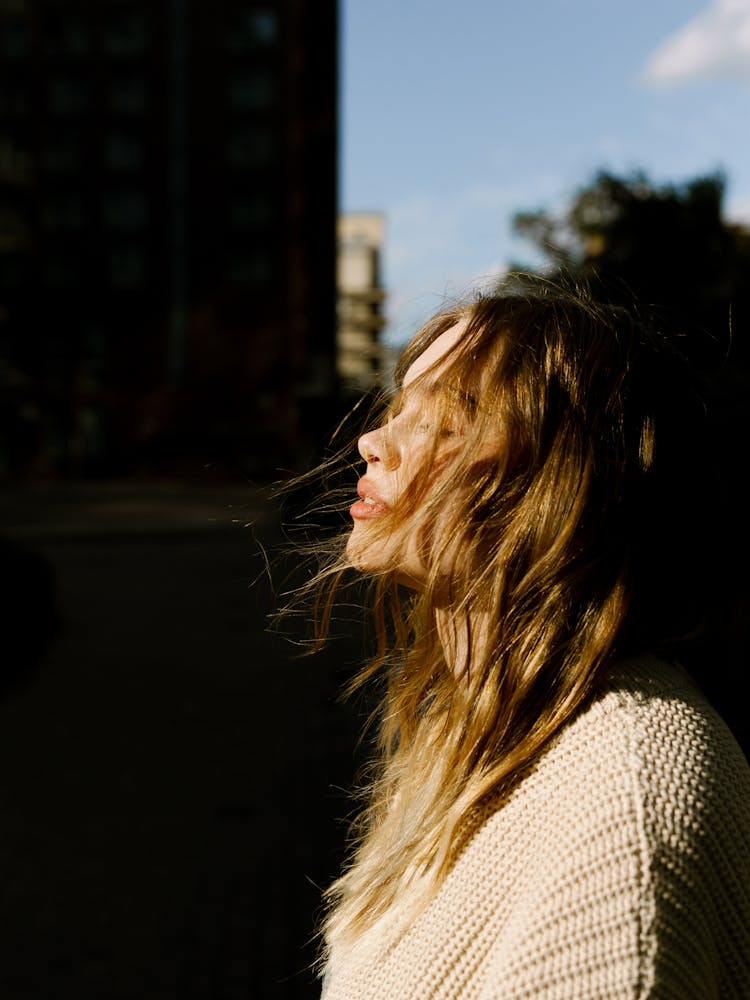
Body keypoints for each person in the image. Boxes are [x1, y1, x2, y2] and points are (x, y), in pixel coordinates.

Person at [313, 275, 750, 999]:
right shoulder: (480, 724)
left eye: (443, 421)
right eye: (398, 408)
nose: (372, 442)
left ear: (567, 482)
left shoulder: (623, 817)